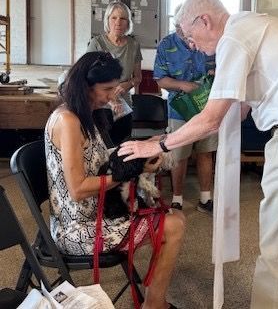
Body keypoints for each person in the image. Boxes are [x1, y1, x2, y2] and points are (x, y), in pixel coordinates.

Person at [118, 0, 278, 309]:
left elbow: (212, 120)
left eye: (189, 36)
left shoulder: (234, 39)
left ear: (205, 20)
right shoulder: (250, 27)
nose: (192, 45)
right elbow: (234, 112)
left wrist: (155, 144)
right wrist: (178, 144)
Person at [45, 51, 185, 309]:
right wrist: (124, 173)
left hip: (97, 213)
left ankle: (154, 302)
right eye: (107, 88)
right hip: (77, 228)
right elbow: (77, 189)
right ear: (85, 86)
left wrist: (141, 152)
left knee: (175, 219)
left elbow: (98, 159)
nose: (113, 95)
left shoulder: (82, 115)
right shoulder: (67, 120)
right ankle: (154, 305)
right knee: (173, 225)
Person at [153, 20, 217, 214]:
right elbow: (160, 79)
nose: (187, 31)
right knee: (179, 155)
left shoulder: (208, 41)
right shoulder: (167, 44)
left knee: (206, 152)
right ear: (176, 25)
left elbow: (219, 68)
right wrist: (183, 85)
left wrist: (215, 74)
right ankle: (177, 198)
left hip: (207, 107)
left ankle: (206, 198)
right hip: (180, 108)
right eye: (182, 27)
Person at [87, 1, 142, 146]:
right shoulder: (97, 43)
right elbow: (89, 78)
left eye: (123, 18)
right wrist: (111, 98)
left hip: (124, 109)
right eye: (114, 18)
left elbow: (138, 78)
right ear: (107, 20)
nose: (118, 22)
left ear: (128, 23)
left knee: (122, 149)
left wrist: (127, 84)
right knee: (102, 149)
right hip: (101, 106)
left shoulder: (134, 45)